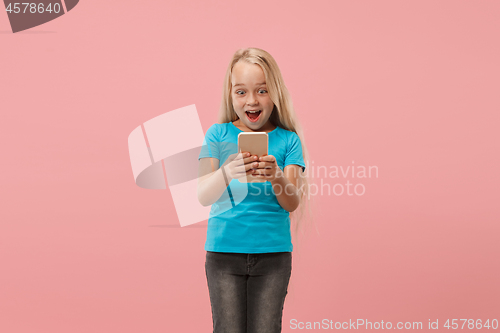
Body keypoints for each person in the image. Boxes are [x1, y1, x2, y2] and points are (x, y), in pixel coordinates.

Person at [197, 47, 312, 333]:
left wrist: (276, 177)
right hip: (223, 255)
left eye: (262, 91)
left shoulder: (289, 141)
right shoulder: (218, 135)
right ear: (230, 94)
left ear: (275, 93)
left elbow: (291, 202)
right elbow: (203, 195)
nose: (252, 100)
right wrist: (227, 172)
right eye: (241, 92)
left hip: (273, 257)